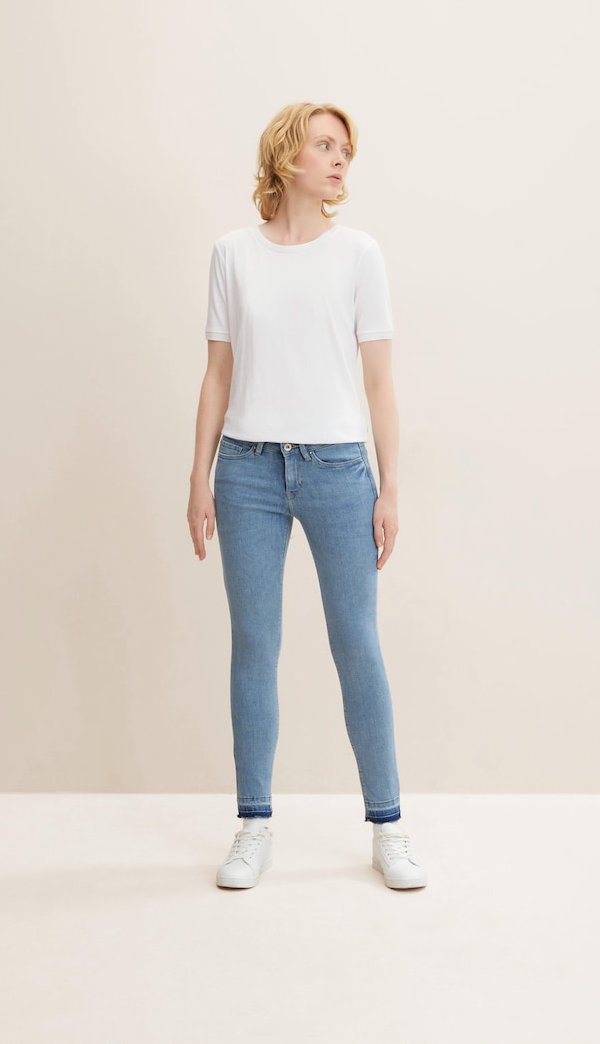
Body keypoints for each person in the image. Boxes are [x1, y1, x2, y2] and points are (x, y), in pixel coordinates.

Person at [187, 101, 426, 891]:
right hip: (247, 470)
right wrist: (198, 475)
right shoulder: (233, 254)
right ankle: (253, 824)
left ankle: (388, 827)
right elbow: (218, 374)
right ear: (287, 155)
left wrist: (390, 487)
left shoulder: (359, 254)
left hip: (337, 469)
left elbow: (380, 381)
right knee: (254, 646)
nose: (339, 159)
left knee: (357, 643)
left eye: (345, 149)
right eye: (325, 145)